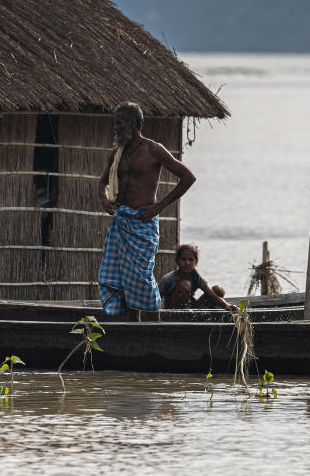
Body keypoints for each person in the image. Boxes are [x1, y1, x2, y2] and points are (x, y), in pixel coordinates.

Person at [98, 101, 196, 322]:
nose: (115, 127)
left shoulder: (153, 149)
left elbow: (188, 177)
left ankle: (155, 328)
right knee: (124, 279)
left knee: (141, 276)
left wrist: (159, 206)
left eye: (119, 123)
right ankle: (134, 330)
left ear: (132, 124)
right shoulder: (117, 154)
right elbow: (102, 182)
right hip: (122, 221)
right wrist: (105, 200)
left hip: (143, 223)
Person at [160, 244, 236, 312]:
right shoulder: (168, 279)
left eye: (191, 259)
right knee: (185, 285)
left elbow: (211, 294)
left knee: (218, 290)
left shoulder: (195, 276)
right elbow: (155, 297)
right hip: (173, 313)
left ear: (196, 262)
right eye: (183, 259)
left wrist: (226, 304)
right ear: (177, 261)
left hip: (190, 309)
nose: (187, 263)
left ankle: (200, 318)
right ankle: (182, 319)